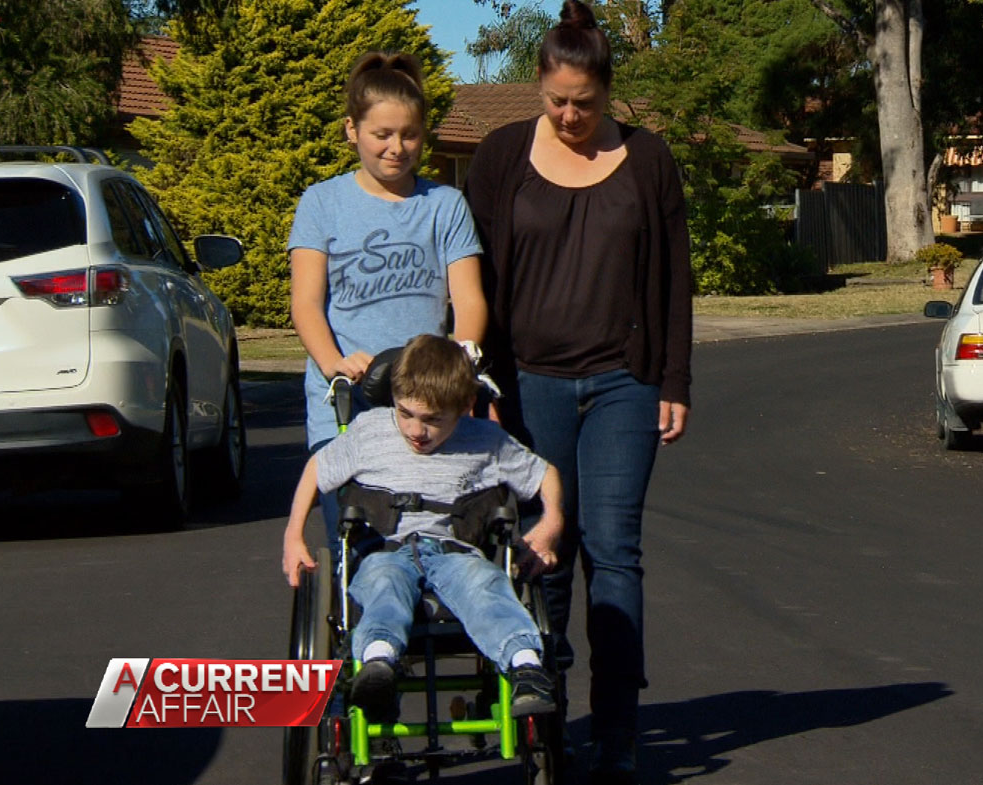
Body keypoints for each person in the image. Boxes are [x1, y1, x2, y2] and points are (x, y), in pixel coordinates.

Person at [463, 2, 692, 781]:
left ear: (607, 92)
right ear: (539, 86)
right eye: (556, 100)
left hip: (624, 384)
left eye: (584, 104)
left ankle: (618, 732)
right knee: (544, 555)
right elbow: (474, 279)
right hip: (529, 387)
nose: (568, 115)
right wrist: (478, 378)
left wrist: (674, 379)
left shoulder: (650, 159)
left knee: (615, 552)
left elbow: (673, 281)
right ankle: (545, 723)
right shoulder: (498, 158)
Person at [281, 334, 564, 722]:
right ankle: (379, 663)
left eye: (433, 420)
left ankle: (526, 666)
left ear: (464, 407)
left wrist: (551, 524)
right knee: (382, 585)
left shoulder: (486, 441)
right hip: (387, 549)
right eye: (405, 413)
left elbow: (545, 474)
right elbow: (317, 469)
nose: (416, 430)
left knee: (486, 586)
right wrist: (293, 536)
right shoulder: (370, 431)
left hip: (456, 552)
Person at [287, 51, 487, 551]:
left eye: (409, 135)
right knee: (361, 546)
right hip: (348, 402)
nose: (397, 148)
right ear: (352, 130)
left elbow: (469, 300)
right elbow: (306, 304)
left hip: (428, 400)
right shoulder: (322, 203)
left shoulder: (444, 206)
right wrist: (335, 364)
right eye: (382, 135)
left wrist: (463, 356)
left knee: (441, 537)